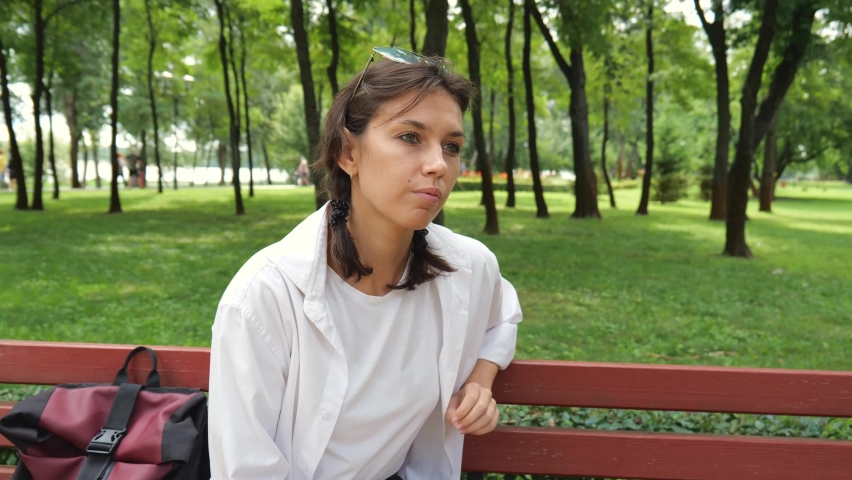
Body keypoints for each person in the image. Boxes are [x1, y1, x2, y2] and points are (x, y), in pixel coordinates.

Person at [208, 47, 522, 480]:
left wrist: (481, 381)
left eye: (451, 146)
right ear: (347, 153)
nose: (438, 165)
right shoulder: (264, 297)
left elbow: (501, 316)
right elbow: (244, 470)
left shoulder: (465, 267)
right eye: (410, 137)